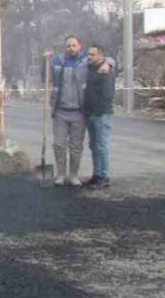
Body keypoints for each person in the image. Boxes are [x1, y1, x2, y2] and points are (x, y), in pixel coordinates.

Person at [45, 35, 114, 187]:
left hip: (79, 112)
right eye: (68, 46)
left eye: (74, 45)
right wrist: (44, 61)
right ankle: (61, 174)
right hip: (60, 111)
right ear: (65, 47)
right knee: (59, 144)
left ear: (79, 46)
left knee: (77, 146)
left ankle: (74, 175)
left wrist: (109, 63)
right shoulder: (56, 61)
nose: (71, 48)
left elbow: (106, 58)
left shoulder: (85, 61)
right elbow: (45, 76)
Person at [81, 45, 115, 189]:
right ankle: (97, 174)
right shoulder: (90, 69)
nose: (89, 57)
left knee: (102, 146)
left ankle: (104, 177)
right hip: (90, 114)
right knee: (94, 145)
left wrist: (99, 112)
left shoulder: (106, 70)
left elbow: (107, 94)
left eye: (93, 54)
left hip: (101, 114)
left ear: (101, 56)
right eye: (89, 54)